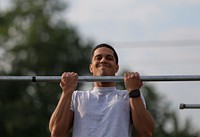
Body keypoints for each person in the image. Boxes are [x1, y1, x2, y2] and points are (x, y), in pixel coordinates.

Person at [49, 43, 154, 137]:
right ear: (91, 68)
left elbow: (146, 132)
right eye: (98, 58)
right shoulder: (76, 97)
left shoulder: (129, 96)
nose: (103, 60)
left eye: (109, 58)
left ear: (116, 68)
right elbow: (56, 132)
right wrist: (67, 91)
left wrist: (134, 91)